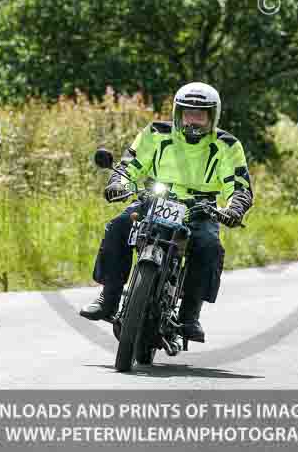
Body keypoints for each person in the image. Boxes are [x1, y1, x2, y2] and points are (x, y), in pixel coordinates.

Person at [79, 82, 253, 342]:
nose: (193, 120)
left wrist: (233, 208)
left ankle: (189, 315)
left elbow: (240, 186)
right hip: (154, 200)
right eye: (188, 113)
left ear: (212, 116)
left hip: (200, 209)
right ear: (177, 113)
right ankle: (109, 296)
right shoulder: (156, 133)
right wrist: (118, 184)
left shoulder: (228, 145)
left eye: (200, 114)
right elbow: (130, 166)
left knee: (209, 246)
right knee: (118, 227)